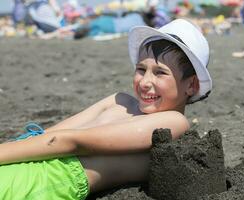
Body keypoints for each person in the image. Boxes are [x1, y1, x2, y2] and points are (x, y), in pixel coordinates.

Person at [0, 19, 212, 199]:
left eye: (160, 73)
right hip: (28, 157)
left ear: (191, 85)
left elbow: (71, 141)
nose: (145, 81)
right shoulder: (118, 100)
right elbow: (46, 135)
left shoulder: (174, 122)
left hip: (48, 180)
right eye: (141, 69)